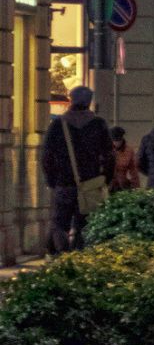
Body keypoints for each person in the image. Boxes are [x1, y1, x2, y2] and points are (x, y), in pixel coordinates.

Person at [40, 86, 113, 254]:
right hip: (91, 184)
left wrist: (52, 180)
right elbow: (109, 156)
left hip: (63, 183)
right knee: (86, 224)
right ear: (89, 102)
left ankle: (62, 254)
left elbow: (47, 156)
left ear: (71, 100)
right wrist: (105, 179)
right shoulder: (98, 124)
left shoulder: (58, 124)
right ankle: (80, 255)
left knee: (60, 222)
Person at [109, 126, 140, 193]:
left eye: (118, 140)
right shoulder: (106, 150)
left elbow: (133, 170)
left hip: (122, 185)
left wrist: (136, 187)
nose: (116, 143)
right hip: (108, 185)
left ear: (122, 138)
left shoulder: (129, 151)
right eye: (114, 140)